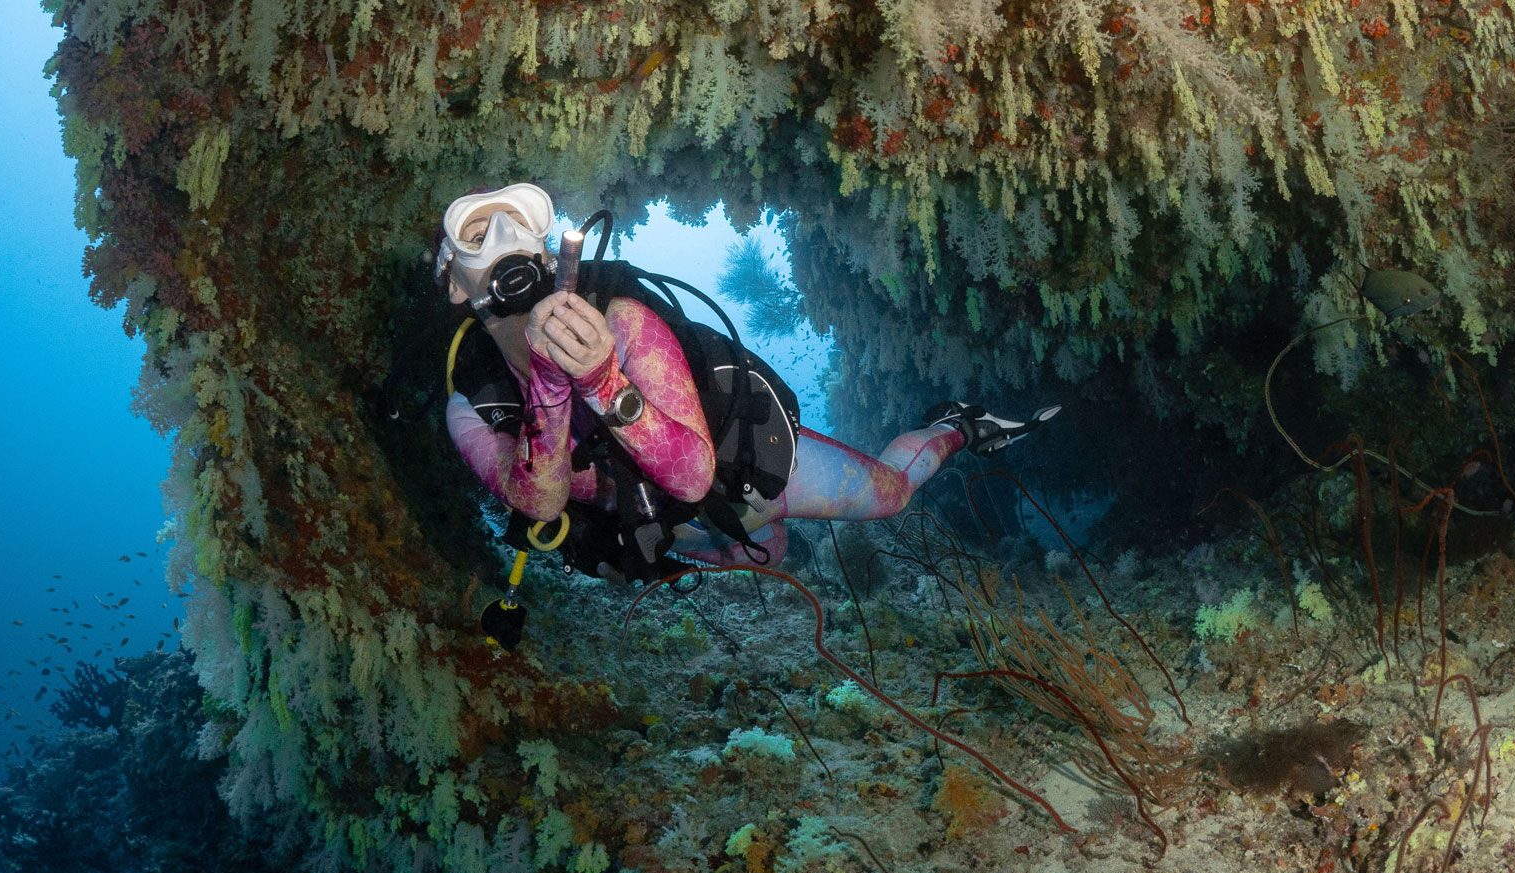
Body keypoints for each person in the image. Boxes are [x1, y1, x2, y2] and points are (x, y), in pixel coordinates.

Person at [438, 183, 1060, 582]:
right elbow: (541, 501)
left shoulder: (624, 322)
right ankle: (751, 542)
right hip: (684, 526)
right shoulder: (472, 408)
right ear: (453, 284)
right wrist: (549, 381)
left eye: (520, 227)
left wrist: (600, 378)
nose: (503, 243)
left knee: (892, 494)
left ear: (549, 257)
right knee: (767, 555)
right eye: (475, 234)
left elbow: (688, 473)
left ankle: (956, 425)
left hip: (754, 469)